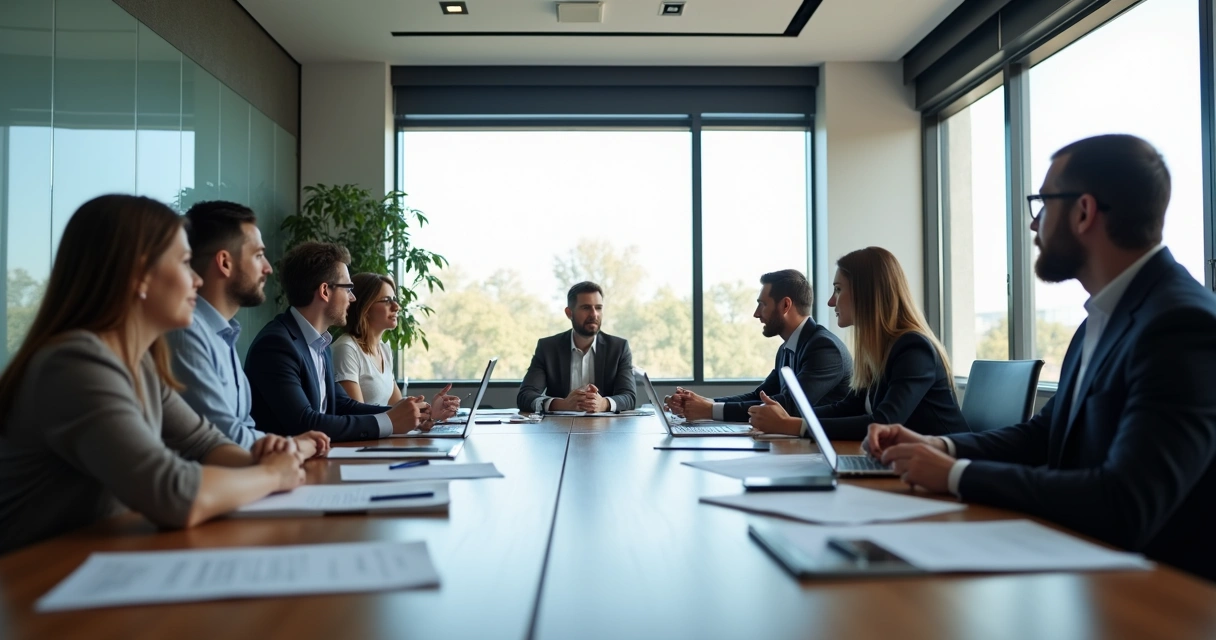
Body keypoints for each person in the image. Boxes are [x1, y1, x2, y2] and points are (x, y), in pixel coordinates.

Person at [866, 134, 1216, 582]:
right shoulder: (1101, 319)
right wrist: (941, 446)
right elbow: (1046, 435)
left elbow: (1125, 501)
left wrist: (957, 475)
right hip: (1085, 567)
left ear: (1084, 212)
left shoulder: (1181, 325)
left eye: (1042, 204)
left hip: (1159, 598)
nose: (1034, 225)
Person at [0, 195, 308, 554]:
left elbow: (203, 443)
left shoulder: (139, 363)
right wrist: (271, 474)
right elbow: (173, 494)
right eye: (185, 263)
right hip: (31, 586)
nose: (196, 280)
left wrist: (264, 457)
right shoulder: (74, 364)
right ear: (140, 276)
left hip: (90, 569)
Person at [244, 242, 459, 441]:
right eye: (348, 289)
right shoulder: (276, 345)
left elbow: (341, 405)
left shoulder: (320, 343)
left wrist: (414, 413)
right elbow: (304, 423)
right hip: (287, 472)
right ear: (325, 291)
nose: (353, 298)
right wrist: (390, 421)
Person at [748, 248, 968, 440]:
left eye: (838, 289)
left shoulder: (913, 348)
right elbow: (848, 407)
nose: (831, 301)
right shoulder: (877, 350)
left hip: (945, 471)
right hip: (905, 463)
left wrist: (792, 425)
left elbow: (883, 422)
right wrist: (791, 418)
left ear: (866, 294)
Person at [165, 201, 329, 456]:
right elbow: (224, 438)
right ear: (225, 263)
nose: (268, 268)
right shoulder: (187, 333)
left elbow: (245, 426)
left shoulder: (223, 334)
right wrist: (295, 446)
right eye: (258, 255)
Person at [664, 269, 851, 422]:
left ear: (785, 305)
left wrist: (709, 410)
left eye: (762, 304)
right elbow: (761, 395)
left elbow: (788, 406)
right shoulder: (787, 349)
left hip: (824, 453)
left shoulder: (824, 348)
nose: (756, 313)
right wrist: (701, 403)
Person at [517, 281, 636, 412]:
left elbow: (629, 397)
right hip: (558, 429)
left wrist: (604, 404)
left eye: (598, 307)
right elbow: (525, 397)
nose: (594, 314)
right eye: (586, 308)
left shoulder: (618, 348)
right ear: (569, 313)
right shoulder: (548, 348)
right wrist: (562, 405)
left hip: (605, 429)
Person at [333, 273, 405, 405]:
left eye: (394, 299)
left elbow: (398, 407)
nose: (396, 307)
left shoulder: (384, 349)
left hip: (383, 426)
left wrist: (430, 412)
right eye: (386, 300)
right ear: (364, 308)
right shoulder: (346, 349)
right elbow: (357, 416)